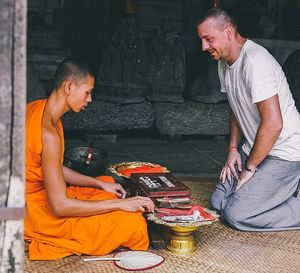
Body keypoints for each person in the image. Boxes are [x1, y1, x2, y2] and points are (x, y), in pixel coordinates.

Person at [25, 58, 155, 260]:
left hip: (31, 197)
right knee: (132, 223)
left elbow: (52, 169)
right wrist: (121, 205)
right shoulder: (48, 133)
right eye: (87, 92)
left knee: (107, 186)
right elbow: (60, 207)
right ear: (68, 87)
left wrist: (96, 183)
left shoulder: (38, 109)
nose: (90, 99)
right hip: (31, 213)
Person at [197, 8, 300, 231]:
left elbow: (274, 124)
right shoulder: (223, 62)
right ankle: (273, 193)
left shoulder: (255, 62)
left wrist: (250, 168)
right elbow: (236, 105)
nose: (204, 47)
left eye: (208, 39)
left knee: (237, 214)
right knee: (218, 203)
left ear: (228, 31)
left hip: (285, 151)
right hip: (254, 146)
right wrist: (234, 148)